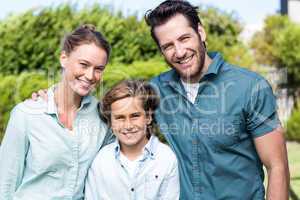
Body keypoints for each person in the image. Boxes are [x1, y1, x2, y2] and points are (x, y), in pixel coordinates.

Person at [145, 0, 290, 199]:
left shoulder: (250, 87)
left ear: (201, 33)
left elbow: (277, 167)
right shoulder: (155, 90)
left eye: (184, 38)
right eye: (168, 46)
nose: (179, 52)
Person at [0, 24, 114, 200]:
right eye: (84, 64)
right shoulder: (26, 115)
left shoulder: (103, 118)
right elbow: (5, 183)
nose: (91, 76)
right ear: (64, 58)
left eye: (99, 69)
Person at [84, 80, 180, 200]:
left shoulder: (166, 158)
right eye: (119, 118)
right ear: (111, 122)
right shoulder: (101, 161)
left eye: (135, 116)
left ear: (148, 117)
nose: (128, 125)